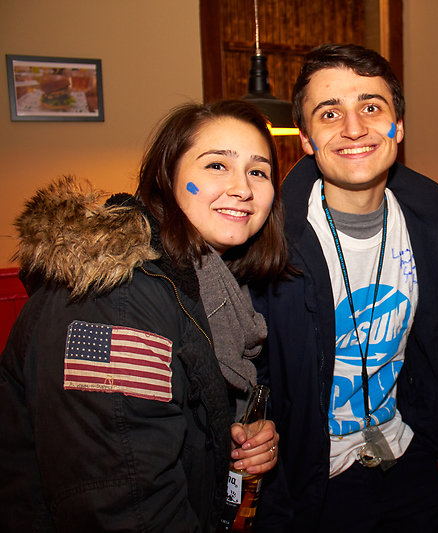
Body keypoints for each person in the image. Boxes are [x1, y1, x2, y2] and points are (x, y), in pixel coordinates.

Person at [0, 100, 288, 531]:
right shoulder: (116, 300)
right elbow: (124, 504)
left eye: (258, 172)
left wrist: (237, 444)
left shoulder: (216, 284)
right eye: (217, 165)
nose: (242, 188)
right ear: (167, 177)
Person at [251, 43, 438, 532]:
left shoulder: (429, 226)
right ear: (306, 139)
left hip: (404, 453)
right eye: (330, 113)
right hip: (312, 477)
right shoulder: (269, 239)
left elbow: (430, 343)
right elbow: (250, 364)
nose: (353, 128)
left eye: (371, 107)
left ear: (398, 126)